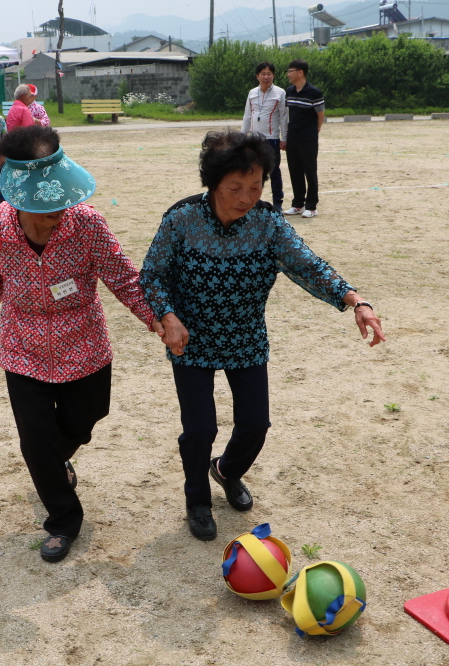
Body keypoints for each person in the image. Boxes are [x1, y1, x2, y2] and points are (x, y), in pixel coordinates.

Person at [139, 130, 385, 541]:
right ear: (213, 183)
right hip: (190, 340)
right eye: (235, 187)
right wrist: (167, 315)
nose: (245, 197)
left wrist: (355, 300)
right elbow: (152, 276)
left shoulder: (268, 223)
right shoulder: (181, 219)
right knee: (199, 429)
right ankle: (196, 498)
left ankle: (226, 470)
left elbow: (307, 265)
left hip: (245, 337)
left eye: (255, 187)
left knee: (256, 424)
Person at [0, 125, 161, 563]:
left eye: (62, 200)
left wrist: (157, 319)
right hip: (23, 349)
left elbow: (124, 278)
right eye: (47, 206)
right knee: (35, 438)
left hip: (83, 346)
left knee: (86, 419)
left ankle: (56, 461)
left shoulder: (87, 223)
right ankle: (62, 518)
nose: (59, 211)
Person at [241, 61, 287, 211]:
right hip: (254, 139)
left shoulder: (280, 93)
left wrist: (284, 138)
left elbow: (283, 118)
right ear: (257, 76)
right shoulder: (252, 93)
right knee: (253, 171)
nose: (266, 77)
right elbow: (247, 116)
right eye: (263, 74)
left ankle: (277, 202)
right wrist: (242, 137)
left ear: (273, 75)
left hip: (272, 138)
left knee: (274, 171)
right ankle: (253, 201)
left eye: (269, 74)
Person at [283, 59, 324, 218]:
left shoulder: (314, 92)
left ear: (300, 72)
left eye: (291, 71)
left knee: (310, 171)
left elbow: (320, 114)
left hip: (308, 138)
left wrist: (316, 129)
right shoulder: (289, 91)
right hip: (292, 136)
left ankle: (312, 206)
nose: (288, 74)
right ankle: (298, 204)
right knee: (295, 171)